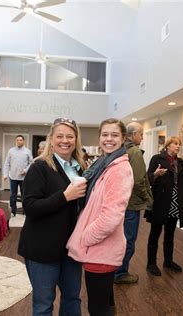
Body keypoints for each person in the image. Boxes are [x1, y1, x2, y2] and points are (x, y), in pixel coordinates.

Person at [18, 118, 87, 316]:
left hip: (71, 248)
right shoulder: (39, 167)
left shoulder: (79, 167)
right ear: (51, 139)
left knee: (73, 298)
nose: (65, 141)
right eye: (60, 136)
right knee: (43, 305)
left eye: (70, 136)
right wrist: (65, 196)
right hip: (42, 249)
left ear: (76, 139)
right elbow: (30, 207)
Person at [67, 118, 134, 316]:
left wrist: (86, 238)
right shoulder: (105, 163)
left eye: (114, 135)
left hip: (100, 248)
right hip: (100, 248)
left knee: (97, 306)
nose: (109, 139)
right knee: (104, 301)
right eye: (105, 135)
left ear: (123, 138)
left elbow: (112, 215)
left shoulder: (119, 169)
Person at [146, 136, 183, 276]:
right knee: (155, 234)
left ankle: (168, 261)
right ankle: (151, 263)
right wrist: (155, 174)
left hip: (175, 202)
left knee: (170, 234)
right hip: (160, 201)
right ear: (167, 145)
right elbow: (148, 178)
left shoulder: (180, 162)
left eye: (179, 144)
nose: (177, 146)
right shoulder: (156, 158)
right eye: (175, 144)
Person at [114, 122, 153, 284]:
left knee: (121, 239)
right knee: (128, 240)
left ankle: (116, 270)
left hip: (121, 201)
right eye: (141, 134)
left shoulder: (121, 149)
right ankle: (120, 273)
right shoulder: (135, 152)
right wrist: (147, 198)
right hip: (131, 203)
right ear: (133, 134)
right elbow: (138, 181)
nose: (142, 137)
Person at [3, 135, 33, 216]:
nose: (19, 141)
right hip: (13, 176)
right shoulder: (11, 151)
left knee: (24, 195)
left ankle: (26, 210)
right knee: (13, 195)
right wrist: (5, 174)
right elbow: (7, 163)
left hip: (23, 177)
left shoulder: (27, 151)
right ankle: (13, 211)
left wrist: (25, 170)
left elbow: (31, 163)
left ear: (23, 141)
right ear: (15, 141)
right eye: (17, 140)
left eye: (20, 140)